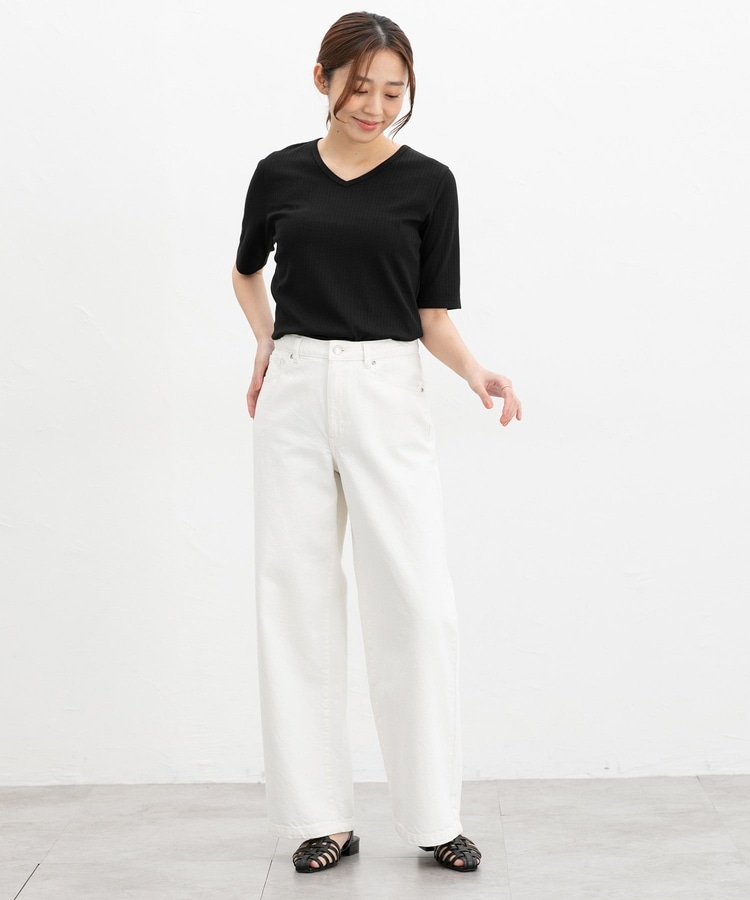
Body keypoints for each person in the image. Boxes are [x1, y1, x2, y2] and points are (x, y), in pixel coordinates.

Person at [231, 10, 522, 875]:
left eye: (394, 92)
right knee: (294, 596)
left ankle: (434, 817)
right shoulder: (278, 173)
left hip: (388, 389)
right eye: (361, 88)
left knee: (417, 601)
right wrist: (266, 340)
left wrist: (475, 371)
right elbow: (246, 272)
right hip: (295, 389)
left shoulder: (428, 183)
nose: (376, 106)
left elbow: (432, 315)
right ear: (322, 79)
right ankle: (320, 817)